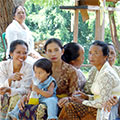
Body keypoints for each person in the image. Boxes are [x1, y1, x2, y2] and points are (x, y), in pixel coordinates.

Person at [18, 38, 79, 119]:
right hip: (40, 100)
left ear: (62, 51)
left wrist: (68, 98)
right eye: (49, 51)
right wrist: (26, 96)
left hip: (60, 104)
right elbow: (33, 86)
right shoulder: (40, 68)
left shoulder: (71, 71)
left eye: (56, 50)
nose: (53, 54)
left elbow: (75, 94)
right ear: (45, 52)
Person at [58, 40, 120, 120]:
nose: (91, 56)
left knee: (70, 107)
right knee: (69, 106)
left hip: (106, 113)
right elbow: (99, 97)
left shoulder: (106, 73)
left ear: (105, 57)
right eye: (90, 53)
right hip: (98, 109)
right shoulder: (99, 70)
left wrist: (82, 101)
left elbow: (103, 103)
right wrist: (87, 97)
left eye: (96, 53)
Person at [0, 40, 33, 119]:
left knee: (17, 97)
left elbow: (26, 89)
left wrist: (10, 91)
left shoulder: (29, 68)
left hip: (19, 97)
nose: (22, 55)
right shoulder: (3, 65)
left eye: (25, 53)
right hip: (2, 96)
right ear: (11, 53)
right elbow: (1, 86)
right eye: (18, 52)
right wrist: (10, 79)